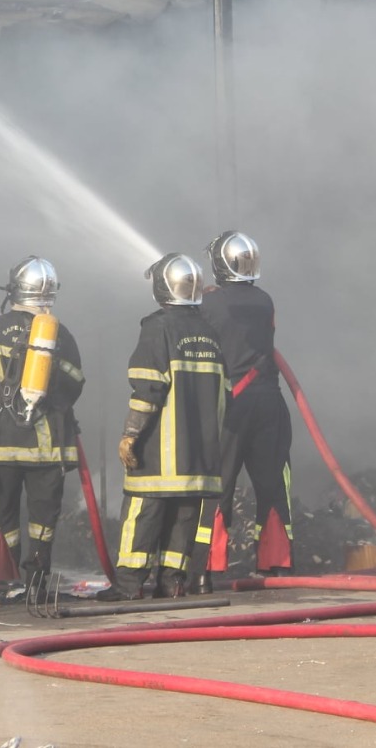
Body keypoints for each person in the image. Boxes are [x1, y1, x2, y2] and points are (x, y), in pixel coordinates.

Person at [0, 255, 85, 594]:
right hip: (48, 447)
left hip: (1, 441)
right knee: (43, 519)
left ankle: (0, 580)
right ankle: (36, 580)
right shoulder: (62, 334)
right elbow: (75, 384)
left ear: (15, 289)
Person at [115, 252, 225, 599]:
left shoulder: (157, 327)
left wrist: (131, 434)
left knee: (142, 513)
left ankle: (129, 586)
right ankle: (172, 583)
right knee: (184, 518)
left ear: (163, 287)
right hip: (200, 456)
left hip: (160, 453)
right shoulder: (209, 332)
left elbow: (148, 387)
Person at [192, 230, 293, 589]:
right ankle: (276, 565)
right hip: (271, 402)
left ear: (220, 264)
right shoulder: (265, 300)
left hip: (232, 403)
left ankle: (210, 569)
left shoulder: (210, 305)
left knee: (218, 484)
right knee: (273, 485)